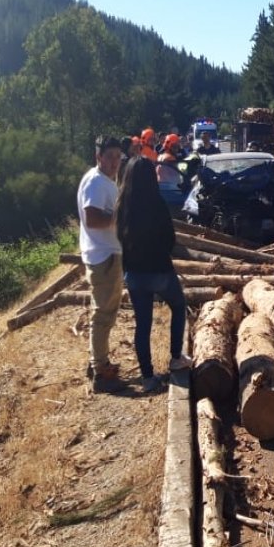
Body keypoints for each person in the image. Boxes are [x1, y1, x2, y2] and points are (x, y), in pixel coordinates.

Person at [115, 157, 192, 393]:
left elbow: (119, 238)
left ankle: (148, 377)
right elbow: (169, 237)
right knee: (179, 306)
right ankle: (176, 356)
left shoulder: (122, 204)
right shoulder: (156, 202)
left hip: (134, 274)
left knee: (143, 325)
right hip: (159, 269)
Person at [77, 135, 125, 393]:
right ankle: (101, 372)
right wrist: (119, 216)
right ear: (98, 157)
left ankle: (96, 361)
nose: (115, 162)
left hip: (102, 252)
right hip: (104, 256)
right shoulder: (97, 182)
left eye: (118, 156)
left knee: (102, 311)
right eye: (110, 157)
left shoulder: (101, 179)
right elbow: (93, 218)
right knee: (104, 314)